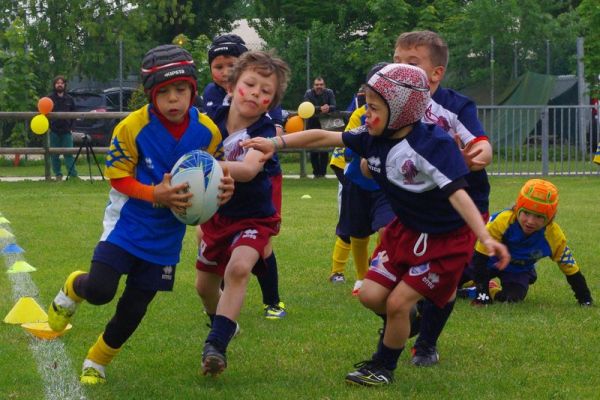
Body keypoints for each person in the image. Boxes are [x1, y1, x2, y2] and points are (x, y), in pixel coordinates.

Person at [243, 63, 510, 387]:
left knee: (397, 303)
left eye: (373, 107)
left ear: (400, 110)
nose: (366, 114)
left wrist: (484, 235)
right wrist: (276, 144)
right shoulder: (374, 136)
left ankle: (383, 365)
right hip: (405, 232)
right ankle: (405, 325)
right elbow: (325, 136)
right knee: (370, 295)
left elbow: (458, 195)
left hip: (444, 242)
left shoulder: (432, 145)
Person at [46, 44, 234, 385]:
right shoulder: (132, 127)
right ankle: (74, 287)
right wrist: (154, 194)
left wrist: (223, 191)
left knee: (134, 307)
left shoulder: (208, 132)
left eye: (182, 90)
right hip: (126, 225)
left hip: (166, 238)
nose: (175, 100)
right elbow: (118, 177)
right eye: (165, 92)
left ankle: (97, 360)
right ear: (151, 95)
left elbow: (214, 173)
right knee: (101, 290)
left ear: (193, 89)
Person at [393, 30, 494, 367]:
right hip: (413, 202)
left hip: (463, 202)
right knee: (398, 271)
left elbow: (481, 144)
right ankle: (404, 318)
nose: (401, 69)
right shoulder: (392, 101)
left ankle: (426, 344)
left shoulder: (455, 105)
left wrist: (476, 154)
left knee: (445, 278)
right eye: (396, 62)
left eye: (412, 63)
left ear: (436, 73)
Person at [195, 50, 290, 377]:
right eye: (251, 84)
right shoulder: (209, 123)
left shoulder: (263, 132)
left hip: (253, 217)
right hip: (216, 216)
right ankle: (223, 323)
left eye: (267, 92)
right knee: (204, 287)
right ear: (232, 86)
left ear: (271, 102)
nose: (256, 94)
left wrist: (201, 167)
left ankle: (216, 345)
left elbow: (248, 171)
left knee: (238, 269)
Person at [460, 179, 593, 306]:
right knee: (451, 281)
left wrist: (585, 299)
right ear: (517, 208)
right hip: (488, 261)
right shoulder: (501, 222)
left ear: (550, 219)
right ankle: (476, 284)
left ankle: (488, 289)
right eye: (526, 213)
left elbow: (570, 268)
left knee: (513, 298)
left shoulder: (554, 236)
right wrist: (482, 295)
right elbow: (480, 257)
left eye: (539, 217)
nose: (530, 221)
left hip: (517, 269)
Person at [328, 82, 395, 297]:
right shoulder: (359, 115)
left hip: (386, 186)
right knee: (356, 233)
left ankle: (381, 270)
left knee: (388, 229)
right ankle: (360, 277)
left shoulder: (401, 115)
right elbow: (347, 145)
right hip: (358, 182)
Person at [303, 77, 336, 178]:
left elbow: (334, 105)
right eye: (317, 84)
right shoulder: (308, 93)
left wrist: (328, 108)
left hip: (325, 125)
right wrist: (320, 109)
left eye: (321, 84)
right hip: (312, 124)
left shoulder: (329, 92)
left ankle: (323, 173)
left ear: (324, 85)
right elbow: (305, 106)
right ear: (313, 86)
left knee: (324, 150)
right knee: (313, 150)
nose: (319, 86)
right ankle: (316, 173)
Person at [48, 75, 77, 181]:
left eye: (61, 83)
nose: (59, 84)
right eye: (57, 83)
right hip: (54, 131)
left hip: (66, 131)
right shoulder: (49, 98)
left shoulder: (70, 99)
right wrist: (49, 127)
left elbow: (74, 114)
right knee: (54, 155)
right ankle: (58, 175)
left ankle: (73, 175)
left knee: (69, 153)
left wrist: (72, 127)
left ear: (64, 85)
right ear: (54, 85)